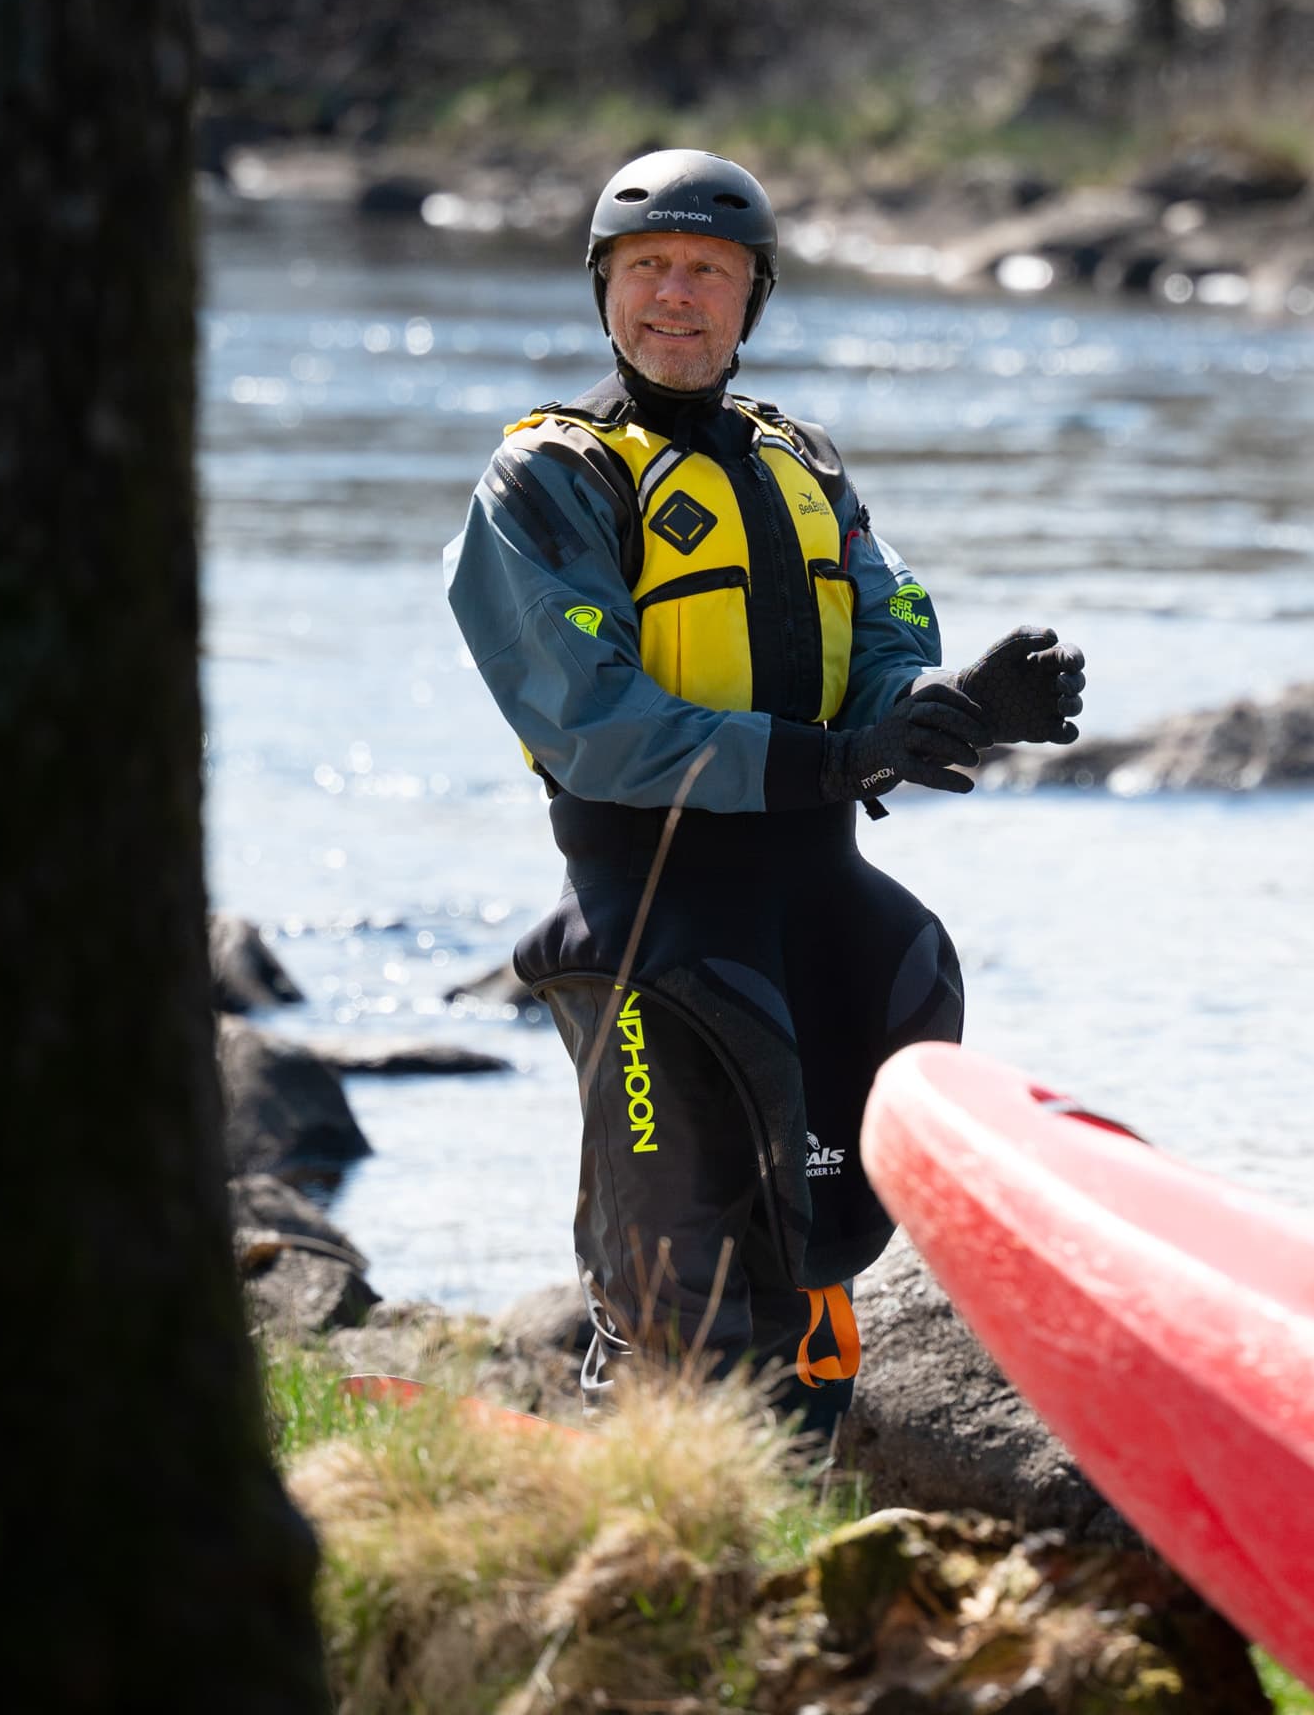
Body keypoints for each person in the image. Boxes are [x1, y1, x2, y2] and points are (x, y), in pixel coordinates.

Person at [443, 148, 1084, 1433]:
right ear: (605, 287)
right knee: (681, 1297)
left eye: (709, 270)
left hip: (817, 899)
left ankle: (806, 1503)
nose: (675, 295)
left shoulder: (804, 460)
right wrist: (837, 760)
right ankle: (652, 1518)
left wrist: (941, 704)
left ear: (755, 296)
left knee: (817, 1255)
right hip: (652, 914)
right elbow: (598, 725)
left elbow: (884, 625)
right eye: (648, 267)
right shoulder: (549, 477)